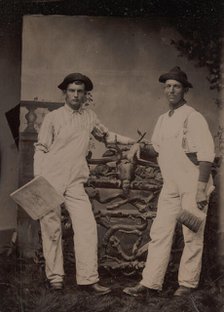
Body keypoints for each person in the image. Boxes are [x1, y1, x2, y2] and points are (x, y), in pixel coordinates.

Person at [34, 72, 135, 293]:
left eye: (80, 92)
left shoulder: (90, 117)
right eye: (72, 91)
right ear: (65, 93)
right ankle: (55, 278)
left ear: (85, 95)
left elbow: (107, 136)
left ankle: (88, 279)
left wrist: (133, 141)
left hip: (75, 181)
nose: (76, 95)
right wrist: (38, 179)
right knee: (51, 228)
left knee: (87, 226)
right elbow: (41, 148)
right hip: (50, 178)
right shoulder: (53, 118)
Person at [123, 66, 215, 297]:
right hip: (171, 185)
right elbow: (157, 148)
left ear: (184, 90)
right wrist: (139, 146)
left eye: (176, 86)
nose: (171, 90)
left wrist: (201, 189)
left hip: (194, 185)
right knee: (160, 233)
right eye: (168, 86)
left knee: (192, 235)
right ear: (164, 90)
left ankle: (187, 283)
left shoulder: (193, 118)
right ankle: (150, 283)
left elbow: (206, 155)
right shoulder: (163, 119)